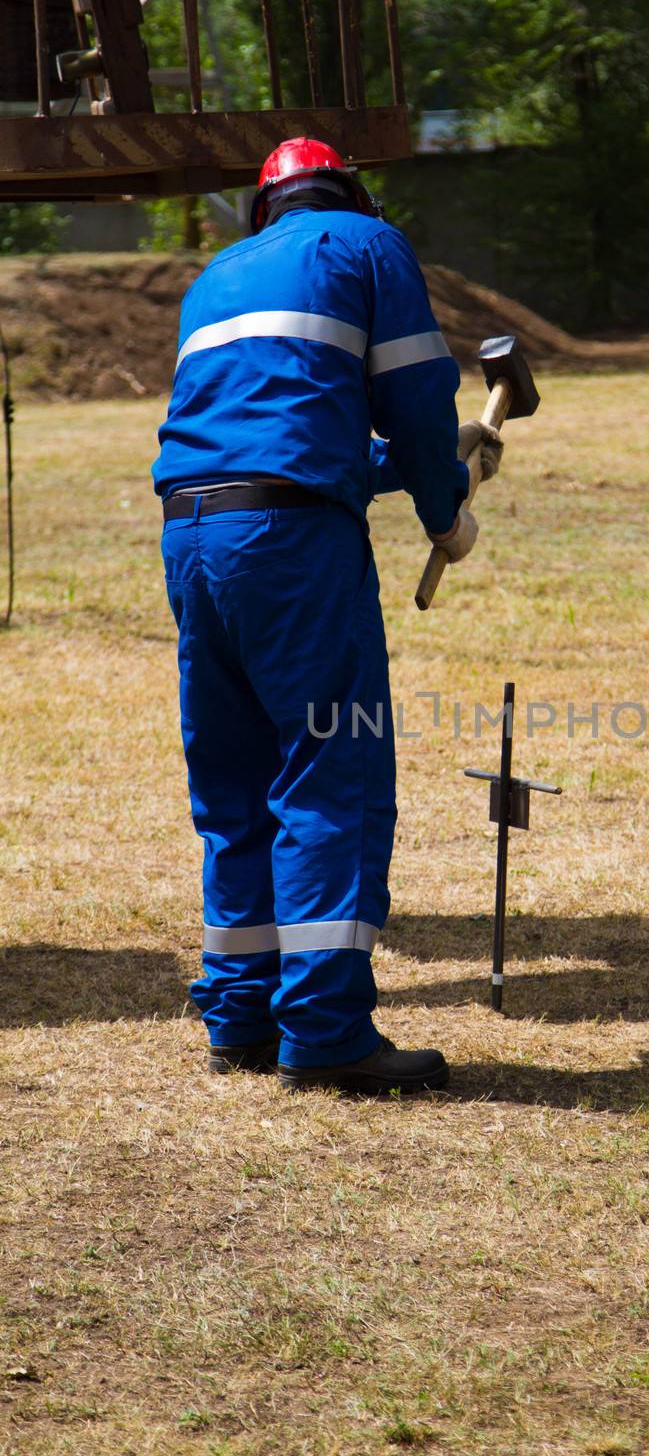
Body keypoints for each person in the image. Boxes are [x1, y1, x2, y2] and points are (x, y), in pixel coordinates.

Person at [153, 137, 502, 1095]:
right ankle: (327, 1033)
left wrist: (434, 461)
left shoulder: (217, 273)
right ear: (349, 192)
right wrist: (448, 507)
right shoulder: (364, 244)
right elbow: (418, 398)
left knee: (235, 781)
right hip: (294, 548)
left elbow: (283, 441)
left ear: (267, 207)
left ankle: (242, 1018)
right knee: (329, 775)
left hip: (194, 536)